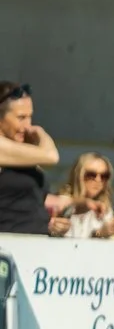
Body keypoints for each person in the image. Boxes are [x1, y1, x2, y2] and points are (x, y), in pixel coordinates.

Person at [0, 82, 56, 236]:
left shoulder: (22, 150)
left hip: (35, 244)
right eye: (21, 118)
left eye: (30, 117)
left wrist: (79, 203)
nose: (27, 126)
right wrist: (41, 132)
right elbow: (51, 156)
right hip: (7, 246)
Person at [47, 151, 114, 239]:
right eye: (91, 175)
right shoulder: (62, 202)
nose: (98, 180)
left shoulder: (105, 209)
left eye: (104, 176)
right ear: (79, 175)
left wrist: (108, 231)